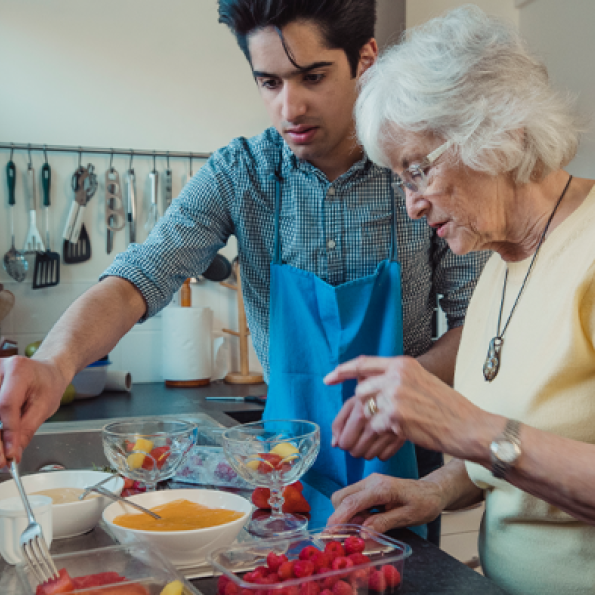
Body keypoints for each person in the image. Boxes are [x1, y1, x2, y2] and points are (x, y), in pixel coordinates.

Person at [0, 0, 486, 543]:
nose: (290, 107)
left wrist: (402, 389)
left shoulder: (422, 170)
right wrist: (51, 364)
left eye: (313, 77)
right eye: (269, 82)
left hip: (404, 460)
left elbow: (479, 323)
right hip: (284, 467)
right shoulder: (242, 173)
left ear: (365, 58)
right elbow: (139, 278)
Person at [325, 6, 595, 594]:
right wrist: (436, 488)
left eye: (417, 170)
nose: (411, 204)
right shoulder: (499, 264)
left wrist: (469, 428)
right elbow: (510, 462)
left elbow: (496, 439)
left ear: (497, 133)